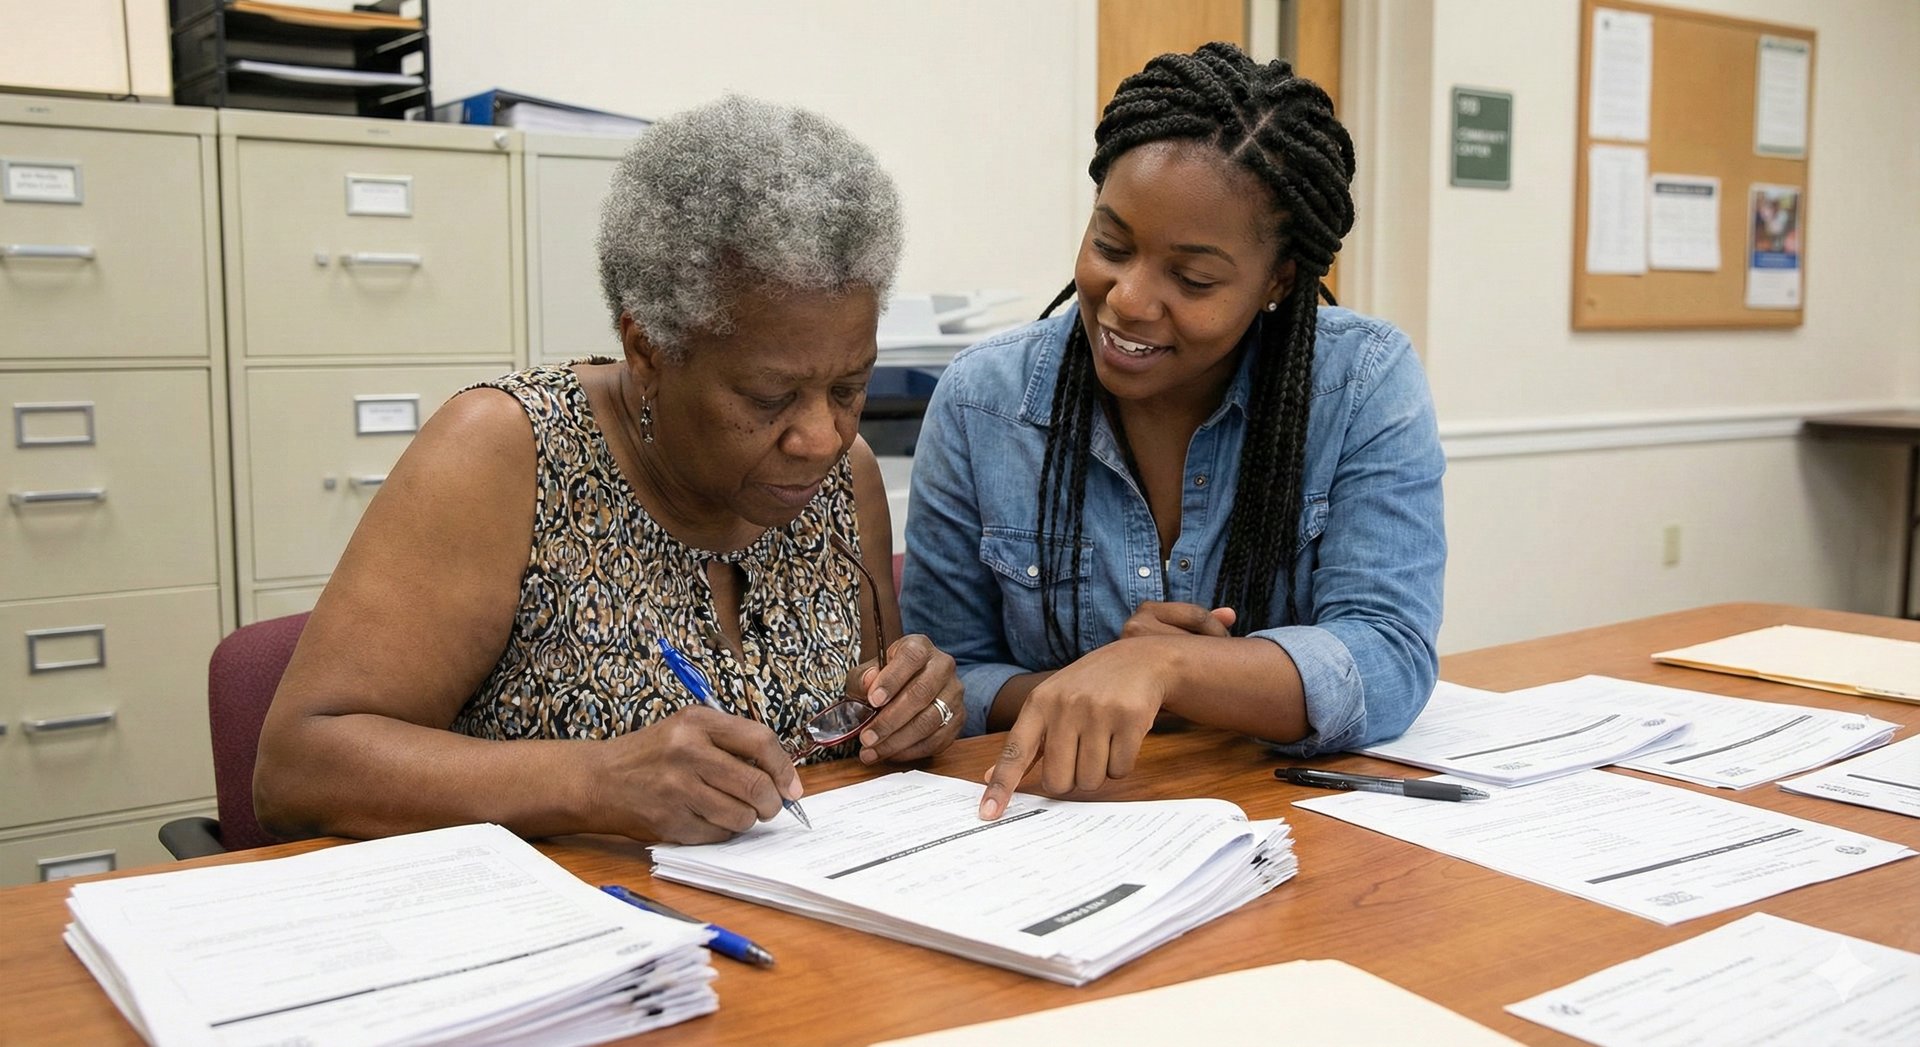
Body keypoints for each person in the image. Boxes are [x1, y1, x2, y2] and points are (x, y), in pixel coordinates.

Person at [256, 95, 963, 846]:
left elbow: (861, 722)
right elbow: (299, 767)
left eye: (850, 388)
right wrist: (591, 780)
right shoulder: (505, 454)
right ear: (647, 351)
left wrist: (918, 708)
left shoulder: (845, 481)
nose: (822, 436)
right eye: (770, 396)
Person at [900, 43, 1446, 820]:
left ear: (1278, 281)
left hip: (1285, 827)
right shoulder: (983, 400)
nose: (1127, 299)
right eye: (1110, 245)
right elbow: (949, 677)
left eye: (1192, 279)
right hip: (1047, 826)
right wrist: (1108, 687)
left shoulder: (1360, 384)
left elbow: (1390, 655)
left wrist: (1168, 668)